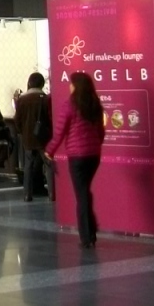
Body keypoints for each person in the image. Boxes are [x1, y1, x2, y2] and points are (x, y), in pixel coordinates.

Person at [45, 72, 106, 248]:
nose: (69, 86)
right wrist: (96, 144)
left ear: (76, 86)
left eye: (71, 83)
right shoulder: (95, 105)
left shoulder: (69, 105)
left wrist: (49, 150)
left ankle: (87, 237)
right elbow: (101, 132)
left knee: (81, 194)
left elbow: (59, 132)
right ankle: (91, 229)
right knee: (85, 191)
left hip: (77, 156)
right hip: (94, 155)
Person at [15, 73, 54, 202]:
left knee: (28, 166)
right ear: (42, 83)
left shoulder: (22, 99)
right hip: (43, 137)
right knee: (48, 165)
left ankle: (27, 194)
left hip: (28, 137)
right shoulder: (45, 99)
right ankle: (52, 193)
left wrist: (22, 132)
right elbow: (50, 118)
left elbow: (17, 120)